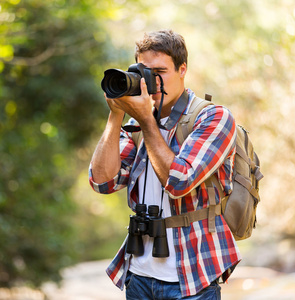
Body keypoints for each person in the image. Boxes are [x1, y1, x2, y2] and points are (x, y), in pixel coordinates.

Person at [89, 29, 241, 300]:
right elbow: (102, 182)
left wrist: (148, 120)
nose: (153, 82)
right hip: (138, 274)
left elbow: (179, 181)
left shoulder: (213, 118)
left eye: (160, 72)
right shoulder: (134, 124)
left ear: (182, 69)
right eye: (145, 72)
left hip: (192, 276)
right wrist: (116, 116)